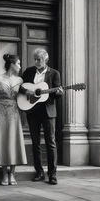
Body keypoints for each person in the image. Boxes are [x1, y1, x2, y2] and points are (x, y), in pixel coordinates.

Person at [21, 48, 63, 185]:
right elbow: (19, 86)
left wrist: (59, 92)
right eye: (35, 59)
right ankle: (39, 172)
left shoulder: (54, 73)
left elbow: (57, 92)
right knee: (36, 143)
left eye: (39, 59)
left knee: (51, 142)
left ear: (46, 60)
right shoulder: (28, 72)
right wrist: (27, 90)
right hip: (32, 111)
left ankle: (52, 174)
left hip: (48, 112)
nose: (37, 62)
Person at [0, 53, 27, 186]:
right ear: (12, 65)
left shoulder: (20, 81)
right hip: (0, 112)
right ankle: (4, 174)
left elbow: (26, 97)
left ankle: (13, 174)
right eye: (18, 64)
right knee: (3, 143)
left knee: (14, 142)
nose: (20, 66)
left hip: (14, 113)